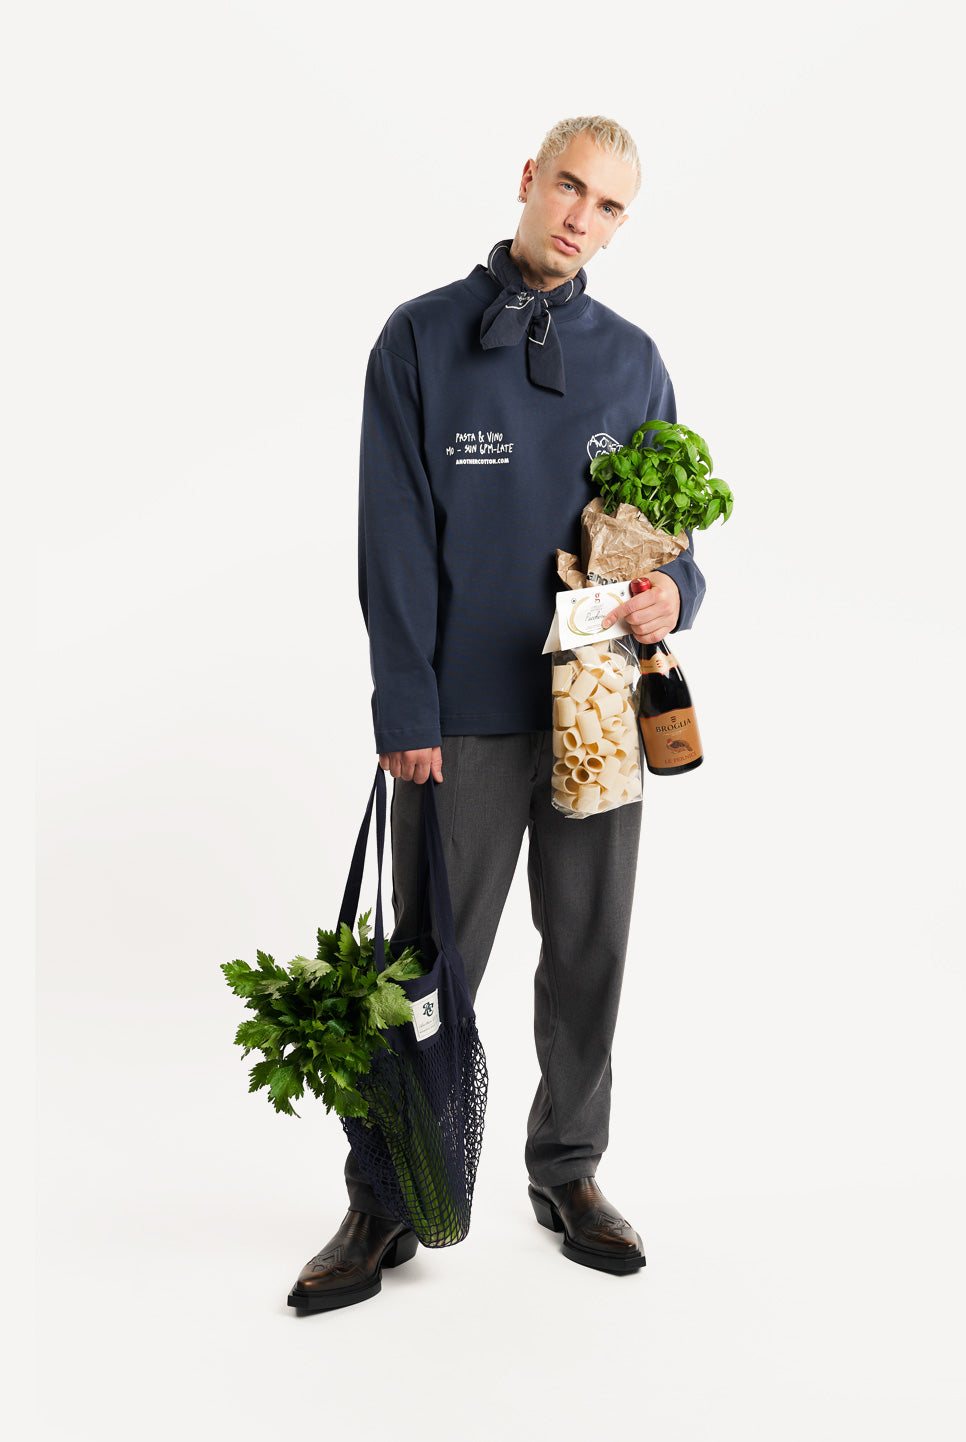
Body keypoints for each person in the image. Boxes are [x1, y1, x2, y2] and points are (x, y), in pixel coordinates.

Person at [288, 116, 706, 1312]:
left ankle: (567, 1167)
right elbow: (392, 541)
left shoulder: (634, 361)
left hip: (596, 709)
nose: (581, 217)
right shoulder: (420, 337)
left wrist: (677, 592)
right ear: (530, 180)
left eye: (609, 205)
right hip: (460, 714)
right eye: (569, 187)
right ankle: (385, 1192)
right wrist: (405, 701)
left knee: (589, 949)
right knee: (431, 962)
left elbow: (675, 539)